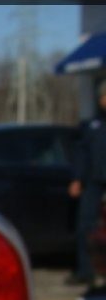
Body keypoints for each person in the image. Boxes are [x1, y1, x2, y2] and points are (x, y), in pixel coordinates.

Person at [67, 80, 106, 287]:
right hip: (94, 181)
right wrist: (77, 179)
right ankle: (86, 271)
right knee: (86, 226)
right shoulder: (92, 126)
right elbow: (81, 154)